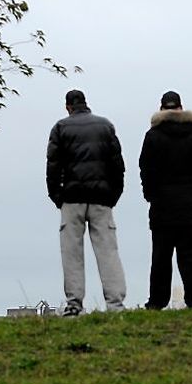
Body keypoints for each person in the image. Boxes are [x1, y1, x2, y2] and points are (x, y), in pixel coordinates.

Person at [46, 89, 127, 316]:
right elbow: (118, 166)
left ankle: (74, 304)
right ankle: (115, 304)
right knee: (107, 250)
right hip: (101, 199)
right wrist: (113, 195)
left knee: (72, 252)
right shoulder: (105, 126)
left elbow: (53, 166)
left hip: (72, 199)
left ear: (68, 107)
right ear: (85, 104)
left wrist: (57, 197)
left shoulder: (60, 128)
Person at [139, 91, 192, 310]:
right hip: (191, 204)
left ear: (161, 109)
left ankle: (157, 301)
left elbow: (146, 170)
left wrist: (150, 196)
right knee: (191, 257)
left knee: (161, 258)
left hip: (162, 205)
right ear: (181, 108)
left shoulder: (153, 136)